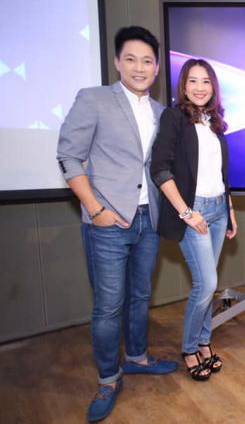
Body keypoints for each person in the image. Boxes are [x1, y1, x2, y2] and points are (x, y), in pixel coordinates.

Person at [57, 26, 178, 422]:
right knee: (108, 306)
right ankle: (108, 378)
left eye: (147, 61)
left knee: (140, 296)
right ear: (116, 62)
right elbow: (69, 157)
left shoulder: (161, 112)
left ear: (156, 68)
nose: (139, 68)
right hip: (107, 222)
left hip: (148, 220)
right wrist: (95, 210)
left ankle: (137, 358)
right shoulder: (93, 99)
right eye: (130, 59)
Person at [150, 59, 237, 381]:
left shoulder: (215, 123)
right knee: (206, 284)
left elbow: (221, 174)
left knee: (207, 283)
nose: (200, 88)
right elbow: (159, 168)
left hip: (218, 210)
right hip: (193, 212)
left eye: (206, 81)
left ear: (213, 87)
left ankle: (204, 342)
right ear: (183, 86)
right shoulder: (174, 117)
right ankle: (189, 349)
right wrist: (186, 212)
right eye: (193, 81)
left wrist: (229, 210)